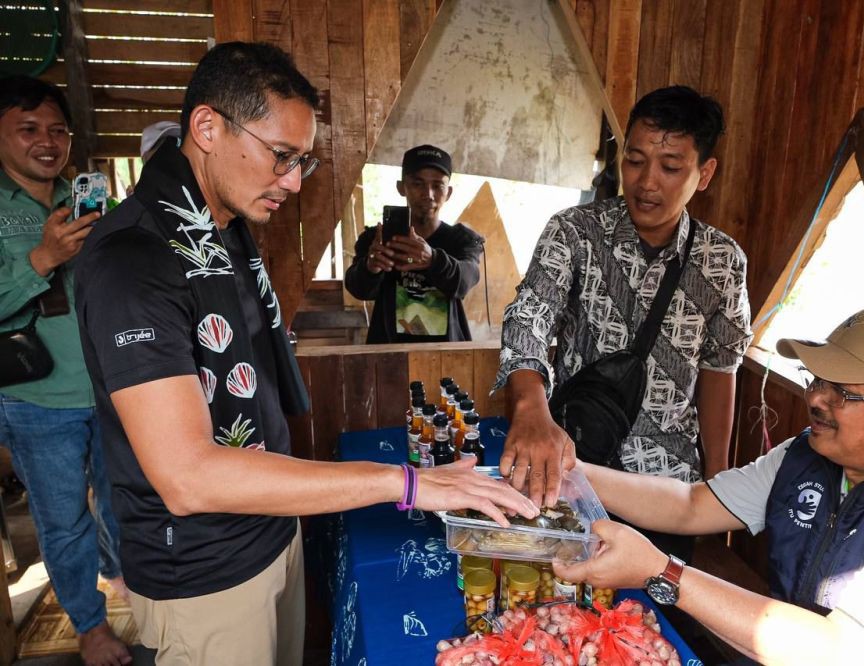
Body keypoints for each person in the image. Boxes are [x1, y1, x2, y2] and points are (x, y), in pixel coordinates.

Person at [73, 43, 536, 666]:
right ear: (207, 128)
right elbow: (187, 477)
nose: (292, 181)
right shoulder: (133, 260)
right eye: (282, 157)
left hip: (267, 532)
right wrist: (407, 483)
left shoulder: (222, 230)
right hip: (205, 570)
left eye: (302, 162)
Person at [555, 304, 864, 664]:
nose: (815, 398)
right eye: (818, 380)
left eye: (842, 391)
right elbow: (691, 504)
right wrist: (570, 469)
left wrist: (664, 571)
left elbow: (843, 653)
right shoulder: (808, 455)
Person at [495, 85, 752, 558]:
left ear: (705, 173)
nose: (646, 182)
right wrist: (531, 407)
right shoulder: (574, 232)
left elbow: (721, 368)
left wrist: (718, 482)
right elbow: (529, 317)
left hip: (670, 491)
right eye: (634, 160)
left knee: (650, 624)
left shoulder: (723, 261)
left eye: (671, 167)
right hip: (577, 475)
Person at [0, 75, 130, 665]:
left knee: (121, 497)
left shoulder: (85, 200)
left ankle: (123, 577)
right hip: (36, 398)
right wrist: (45, 258)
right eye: (28, 129)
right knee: (63, 519)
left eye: (57, 130)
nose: (46, 142)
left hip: (109, 386)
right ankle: (90, 625)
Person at [344, 144, 484, 343]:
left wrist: (433, 260)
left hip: (447, 357)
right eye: (418, 183)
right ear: (402, 187)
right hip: (389, 355)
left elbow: (466, 280)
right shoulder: (376, 238)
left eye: (437, 185)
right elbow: (358, 289)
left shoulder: (462, 240)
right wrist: (370, 267)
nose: (428, 193)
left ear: (449, 192)